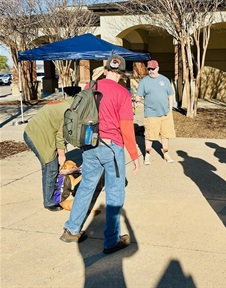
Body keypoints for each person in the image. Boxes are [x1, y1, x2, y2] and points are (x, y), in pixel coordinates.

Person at [60, 54, 140, 255]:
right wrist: (135, 155)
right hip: (112, 147)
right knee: (115, 192)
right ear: (121, 74)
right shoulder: (122, 93)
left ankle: (71, 229)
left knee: (87, 186)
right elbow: (127, 128)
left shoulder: (90, 87)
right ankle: (112, 240)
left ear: (105, 70)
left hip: (89, 145)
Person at [24, 97, 75, 211]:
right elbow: (60, 135)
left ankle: (55, 193)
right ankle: (49, 201)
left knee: (51, 166)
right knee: (50, 166)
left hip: (40, 132)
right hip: (37, 136)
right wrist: (61, 155)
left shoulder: (70, 102)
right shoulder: (70, 110)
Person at [135, 59, 176, 165]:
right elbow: (139, 95)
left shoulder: (165, 80)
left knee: (165, 135)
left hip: (165, 113)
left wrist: (170, 108)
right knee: (149, 136)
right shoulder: (144, 81)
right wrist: (137, 101)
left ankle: (166, 153)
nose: (151, 71)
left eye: (153, 69)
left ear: (157, 68)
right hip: (151, 114)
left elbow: (170, 94)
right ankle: (147, 155)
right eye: (149, 69)